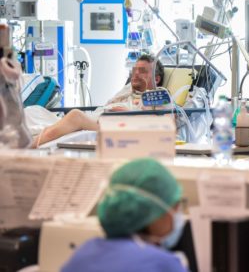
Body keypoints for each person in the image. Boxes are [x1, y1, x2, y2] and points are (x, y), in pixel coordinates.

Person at [61, 158, 188, 272]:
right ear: (155, 215)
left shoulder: (84, 253)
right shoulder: (162, 265)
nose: (176, 214)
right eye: (175, 206)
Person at [31, 54, 165, 147]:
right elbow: (108, 104)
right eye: (134, 70)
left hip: (110, 127)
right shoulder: (127, 91)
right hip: (97, 118)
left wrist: (126, 112)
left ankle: (29, 146)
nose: (135, 74)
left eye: (142, 71)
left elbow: (158, 121)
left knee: (75, 115)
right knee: (35, 112)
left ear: (156, 79)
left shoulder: (159, 95)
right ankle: (23, 138)